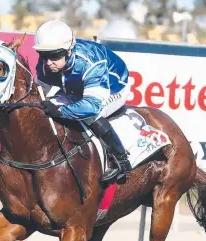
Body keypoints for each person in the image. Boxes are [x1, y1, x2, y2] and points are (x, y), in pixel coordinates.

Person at [34, 20, 132, 186]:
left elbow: (91, 106)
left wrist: (59, 111)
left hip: (113, 88)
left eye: (55, 55)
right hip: (77, 89)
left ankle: (121, 160)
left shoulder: (89, 61)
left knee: (92, 115)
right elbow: (40, 93)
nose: (48, 62)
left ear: (69, 50)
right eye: (44, 55)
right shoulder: (47, 62)